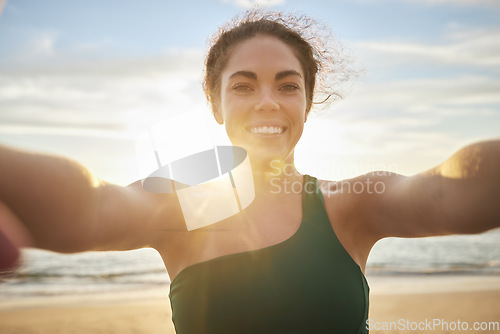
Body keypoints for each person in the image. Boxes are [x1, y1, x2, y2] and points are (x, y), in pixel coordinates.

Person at [0, 9, 499, 334]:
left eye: (287, 86)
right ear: (215, 104)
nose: (267, 102)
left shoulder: (350, 205)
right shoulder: (183, 207)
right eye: (243, 86)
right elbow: (91, 205)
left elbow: (448, 193)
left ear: (307, 100)